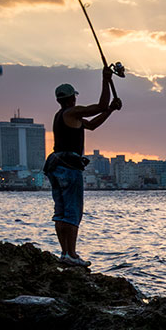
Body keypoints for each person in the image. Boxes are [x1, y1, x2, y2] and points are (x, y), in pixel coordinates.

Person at [46, 67, 121, 266]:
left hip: (55, 166)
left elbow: (94, 124)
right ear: (72, 98)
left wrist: (111, 110)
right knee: (72, 211)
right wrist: (106, 79)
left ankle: (65, 254)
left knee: (61, 212)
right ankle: (72, 254)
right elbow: (100, 105)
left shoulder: (62, 115)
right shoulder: (73, 111)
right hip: (69, 167)